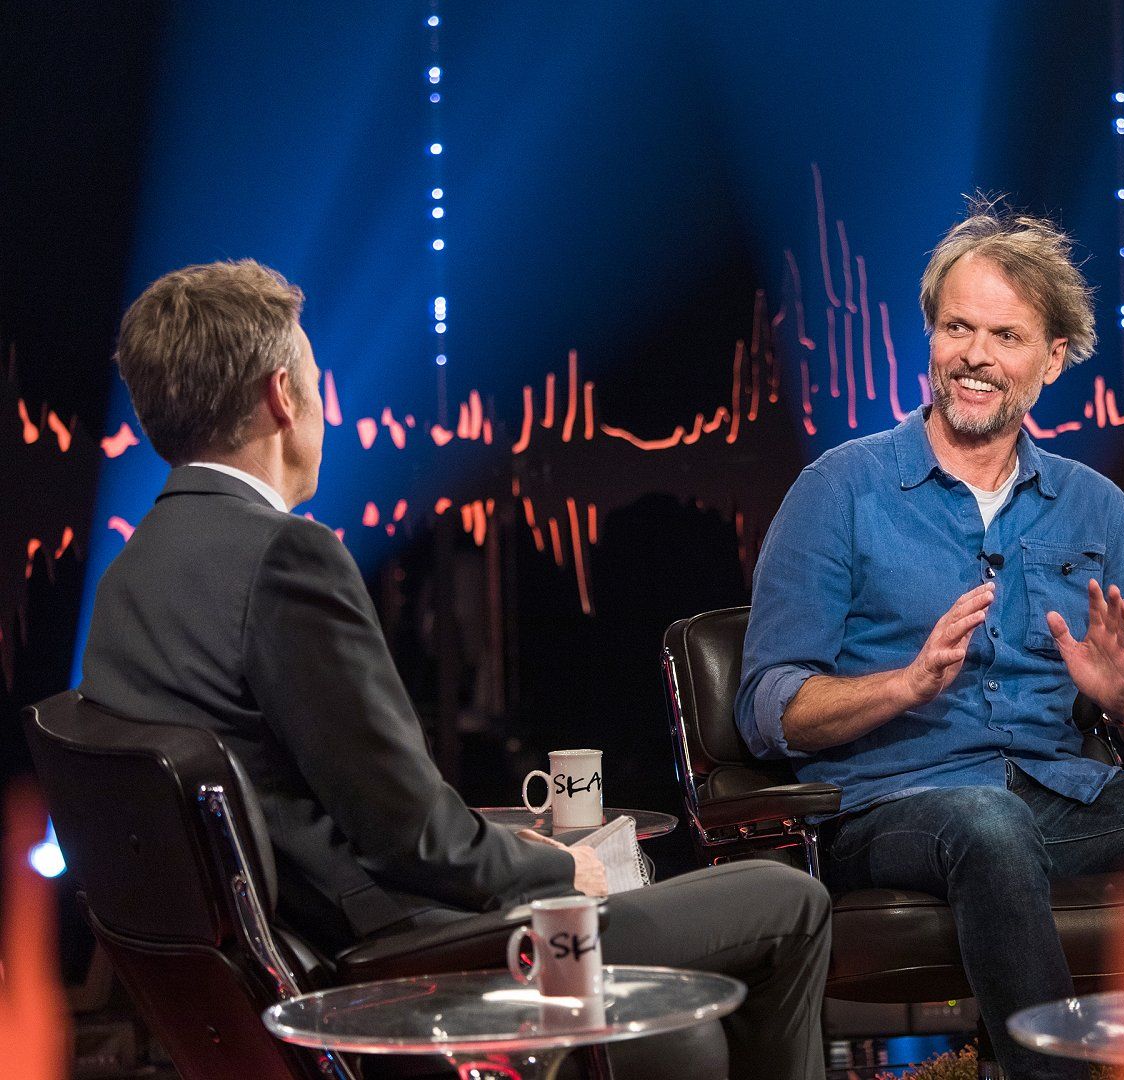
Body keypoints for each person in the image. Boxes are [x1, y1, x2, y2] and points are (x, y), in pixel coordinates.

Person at [80, 260, 830, 1080]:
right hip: (409, 957)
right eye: (317, 382)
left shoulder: (128, 578)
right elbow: (411, 836)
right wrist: (559, 867)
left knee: (688, 1016)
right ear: (282, 397)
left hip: (294, 966)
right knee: (786, 900)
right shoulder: (285, 558)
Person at [736, 196, 1124, 1079]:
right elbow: (769, 708)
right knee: (988, 821)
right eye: (958, 328)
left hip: (1062, 795)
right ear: (931, 336)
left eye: (1007, 336)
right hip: (894, 805)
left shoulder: (1094, 507)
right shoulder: (839, 490)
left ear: (1052, 359)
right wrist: (905, 685)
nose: (976, 356)